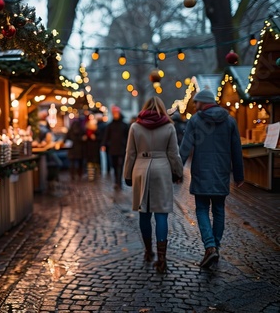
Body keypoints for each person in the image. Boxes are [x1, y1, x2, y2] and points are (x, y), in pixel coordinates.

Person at [179, 90, 244, 268]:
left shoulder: (195, 121)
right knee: (218, 210)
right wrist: (239, 175)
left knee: (201, 209)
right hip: (221, 173)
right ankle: (215, 247)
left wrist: (176, 171)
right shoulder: (230, 120)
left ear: (203, 103)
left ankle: (210, 247)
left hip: (201, 172)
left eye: (196, 102)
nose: (195, 105)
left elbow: (185, 148)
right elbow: (236, 149)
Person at [123, 97, 183, 273]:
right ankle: (162, 258)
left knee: (144, 213)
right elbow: (174, 153)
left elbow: (130, 153)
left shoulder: (135, 127)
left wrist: (127, 175)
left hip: (141, 169)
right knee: (161, 213)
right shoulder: (169, 126)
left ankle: (148, 252)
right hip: (162, 169)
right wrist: (178, 172)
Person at [101, 105, 129, 190]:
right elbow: (106, 136)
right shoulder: (110, 125)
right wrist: (104, 144)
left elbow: (128, 136)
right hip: (112, 149)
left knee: (120, 166)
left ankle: (119, 182)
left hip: (121, 149)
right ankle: (116, 181)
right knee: (114, 166)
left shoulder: (124, 125)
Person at [65, 114, 86, 180]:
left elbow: (65, 139)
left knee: (72, 163)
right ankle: (80, 174)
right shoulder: (81, 130)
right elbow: (83, 139)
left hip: (72, 149)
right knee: (80, 163)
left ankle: (72, 175)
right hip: (80, 149)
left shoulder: (70, 131)